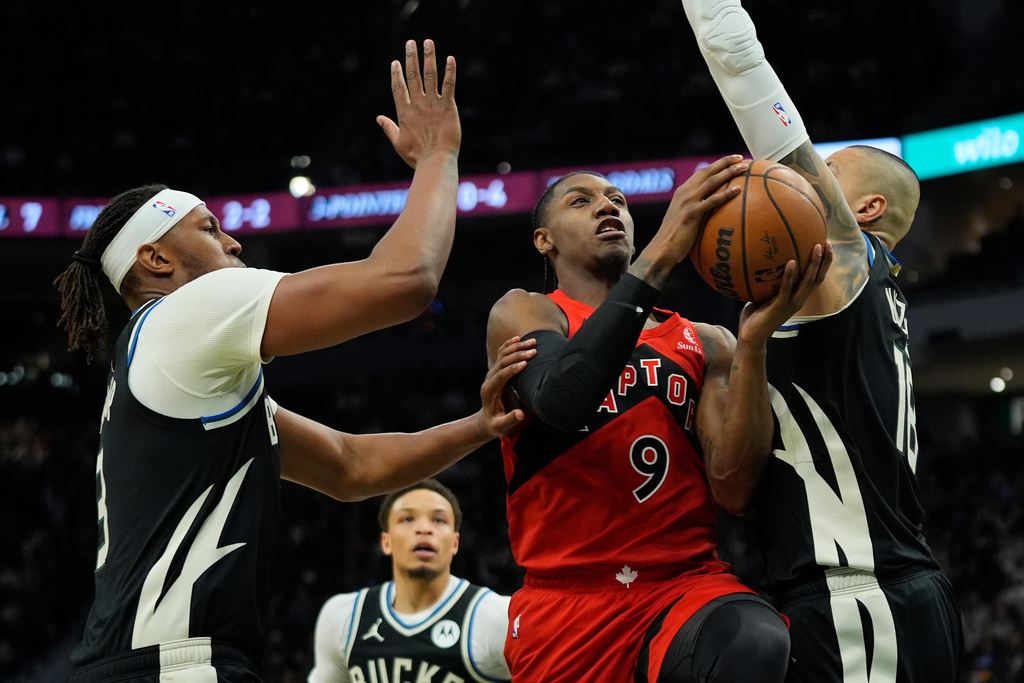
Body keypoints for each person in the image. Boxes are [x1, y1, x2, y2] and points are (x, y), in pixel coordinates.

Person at [53, 39, 536, 682]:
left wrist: (478, 426)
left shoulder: (172, 365)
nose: (232, 238)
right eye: (206, 228)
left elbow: (349, 466)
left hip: (145, 663)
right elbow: (405, 280)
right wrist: (439, 156)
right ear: (157, 261)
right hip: (173, 667)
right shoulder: (189, 314)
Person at [677, 1, 965, 680]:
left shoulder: (845, 254)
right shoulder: (870, 293)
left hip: (859, 598)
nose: (800, 180)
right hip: (884, 590)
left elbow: (755, 90)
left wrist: (712, 11)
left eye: (829, 176)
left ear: (862, 209)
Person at [484, 156, 831, 682]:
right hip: (567, 599)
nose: (608, 205)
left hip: (684, 584)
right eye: (582, 201)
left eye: (619, 201)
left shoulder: (706, 341)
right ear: (544, 241)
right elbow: (564, 400)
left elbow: (734, 490)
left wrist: (754, 344)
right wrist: (662, 252)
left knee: (755, 639)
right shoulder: (526, 312)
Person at [308, 478, 511, 683]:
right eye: (407, 519)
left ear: (455, 543)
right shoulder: (344, 616)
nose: (424, 528)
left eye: (439, 520)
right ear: (386, 542)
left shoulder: (497, 616)